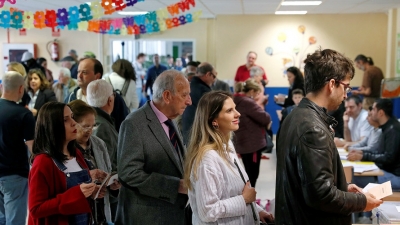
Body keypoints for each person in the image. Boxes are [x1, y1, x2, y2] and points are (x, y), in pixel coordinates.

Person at [275, 48, 382, 225]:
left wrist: (342, 188)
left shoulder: (295, 116)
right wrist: (363, 202)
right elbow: (321, 195)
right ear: (332, 84)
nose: (346, 94)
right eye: (346, 87)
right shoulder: (312, 128)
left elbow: (307, 181)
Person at [183, 91, 274, 224]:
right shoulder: (207, 159)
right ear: (214, 120)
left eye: (235, 108)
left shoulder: (227, 146)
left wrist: (257, 211)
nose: (238, 114)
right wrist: (244, 200)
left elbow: (236, 193)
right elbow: (207, 211)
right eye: (230, 110)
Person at [115, 70, 191, 225]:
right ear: (167, 96)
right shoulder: (134, 124)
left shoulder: (171, 120)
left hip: (172, 214)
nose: (189, 101)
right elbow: (129, 173)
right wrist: (175, 185)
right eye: (184, 95)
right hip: (147, 217)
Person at [28, 101, 106, 225]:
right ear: (52, 125)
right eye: (66, 120)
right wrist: (76, 194)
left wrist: (92, 192)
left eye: (72, 117)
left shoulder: (77, 154)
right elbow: (35, 209)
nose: (74, 123)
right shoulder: (43, 162)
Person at [68, 100, 121, 224]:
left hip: (100, 214)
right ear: (73, 123)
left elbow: (107, 172)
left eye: (93, 126)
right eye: (86, 126)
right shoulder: (65, 148)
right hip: (78, 215)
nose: (90, 130)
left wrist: (113, 185)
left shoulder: (99, 144)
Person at [0, 71, 35, 225]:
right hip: (14, 175)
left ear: (2, 86)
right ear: (21, 89)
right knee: (15, 221)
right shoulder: (23, 115)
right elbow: (33, 148)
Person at [347, 99, 400, 190]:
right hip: (386, 171)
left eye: (373, 109)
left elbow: (388, 157)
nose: (371, 112)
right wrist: (363, 155)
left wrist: (363, 156)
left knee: (355, 178)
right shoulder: (386, 127)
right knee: (353, 174)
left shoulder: (392, 130)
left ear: (381, 113)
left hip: (395, 176)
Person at [66, 58, 129, 132]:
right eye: (78, 72)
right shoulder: (72, 97)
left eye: (84, 72)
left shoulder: (112, 97)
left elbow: (124, 126)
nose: (79, 76)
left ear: (97, 76)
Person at [233, 79, 271, 187]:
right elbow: (264, 117)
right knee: (252, 174)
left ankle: (249, 198)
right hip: (252, 143)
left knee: (248, 171)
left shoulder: (236, 100)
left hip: (242, 141)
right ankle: (250, 199)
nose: (257, 95)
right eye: (256, 92)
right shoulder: (247, 102)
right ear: (251, 91)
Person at [181, 62, 216, 145]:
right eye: (214, 76)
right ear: (208, 74)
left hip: (187, 128)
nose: (214, 79)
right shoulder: (204, 90)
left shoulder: (190, 85)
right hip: (199, 132)